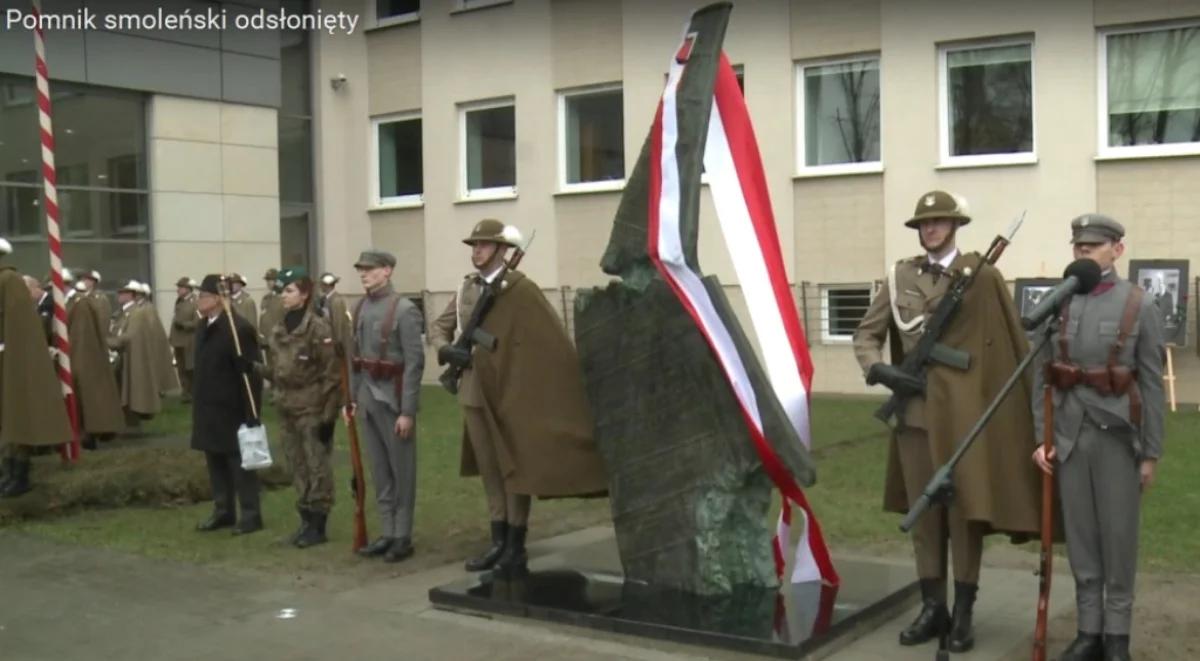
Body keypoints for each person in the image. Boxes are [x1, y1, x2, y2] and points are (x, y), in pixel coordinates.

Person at [852, 191, 1042, 652]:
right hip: (916, 414)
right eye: (925, 223)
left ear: (955, 226)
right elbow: (867, 333)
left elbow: (1006, 342)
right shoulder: (900, 276)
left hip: (965, 417)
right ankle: (932, 607)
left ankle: (964, 612)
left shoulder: (981, 276)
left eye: (939, 222)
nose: (931, 229)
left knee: (964, 515)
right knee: (926, 516)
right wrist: (877, 368)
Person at [430, 219, 607, 575]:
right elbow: (439, 327)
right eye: (474, 245)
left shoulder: (520, 290)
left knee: (515, 466)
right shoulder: (467, 288)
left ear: (502, 250)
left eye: (483, 244)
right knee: (491, 470)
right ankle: (497, 541)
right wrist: (447, 351)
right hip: (474, 391)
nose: (476, 250)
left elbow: (544, 339)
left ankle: (515, 544)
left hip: (510, 392)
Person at [1031, 215, 1165, 661]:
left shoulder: (1138, 304)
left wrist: (1150, 453)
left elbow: (1150, 384)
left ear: (1117, 250)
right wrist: (1040, 437)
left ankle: (1117, 637)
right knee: (1083, 538)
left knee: (1118, 538)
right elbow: (1040, 375)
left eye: (1093, 245)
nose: (1083, 253)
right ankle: (1089, 631)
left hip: (1117, 437)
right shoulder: (1059, 300)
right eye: (1078, 246)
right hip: (1068, 435)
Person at [345, 250, 424, 563]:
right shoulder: (361, 306)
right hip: (367, 398)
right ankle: (388, 531)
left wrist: (407, 411)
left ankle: (402, 535)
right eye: (361, 270)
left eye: (370, 269)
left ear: (387, 271)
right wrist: (351, 399)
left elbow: (414, 364)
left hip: (393, 400)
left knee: (401, 470)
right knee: (379, 470)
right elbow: (354, 359)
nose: (364, 274)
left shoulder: (404, 310)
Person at [264, 267, 341, 548]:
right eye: (282, 291)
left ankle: (318, 523)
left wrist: (328, 416)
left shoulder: (317, 327)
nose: (283, 296)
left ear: (304, 293)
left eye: (289, 290)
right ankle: (305, 520)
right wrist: (253, 368)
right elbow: (278, 369)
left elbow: (331, 373)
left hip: (311, 407)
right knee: (296, 465)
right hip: (286, 406)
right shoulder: (280, 327)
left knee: (316, 464)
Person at [191, 274, 265, 535]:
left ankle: (250, 513)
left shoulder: (238, 329)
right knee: (215, 460)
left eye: (202, 296)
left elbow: (250, 375)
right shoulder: (203, 326)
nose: (198, 301)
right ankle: (223, 510)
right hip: (208, 406)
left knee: (239, 463)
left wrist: (252, 412)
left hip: (232, 407)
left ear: (218, 299)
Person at [0, 239, 72, 498]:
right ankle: (7, 470)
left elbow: (18, 325)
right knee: (6, 418)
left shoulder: (9, 281)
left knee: (17, 417)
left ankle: (19, 473)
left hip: (10, 359)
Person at [108, 280, 175, 426]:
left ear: (131, 295)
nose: (119, 295)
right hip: (124, 354)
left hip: (132, 354)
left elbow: (129, 335)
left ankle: (133, 421)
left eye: (123, 293)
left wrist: (109, 342)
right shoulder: (126, 312)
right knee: (124, 388)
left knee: (132, 390)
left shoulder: (139, 312)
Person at [170, 277, 200, 403]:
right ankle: (185, 392)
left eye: (181, 287)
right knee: (181, 368)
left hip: (190, 340)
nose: (178, 290)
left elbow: (198, 322)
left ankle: (194, 393)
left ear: (188, 289)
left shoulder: (196, 302)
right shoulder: (179, 301)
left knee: (191, 368)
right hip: (179, 340)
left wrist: (183, 325)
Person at [317, 271, 354, 358]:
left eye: (322, 284)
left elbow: (338, 324)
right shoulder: (325, 299)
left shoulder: (336, 300)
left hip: (335, 346)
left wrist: (338, 344)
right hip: (329, 343)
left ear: (327, 285)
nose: (320, 286)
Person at [259, 268, 284, 353]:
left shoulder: (283, 298)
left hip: (280, 341)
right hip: (267, 341)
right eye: (267, 280)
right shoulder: (266, 298)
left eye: (271, 280)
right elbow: (263, 318)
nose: (268, 283)